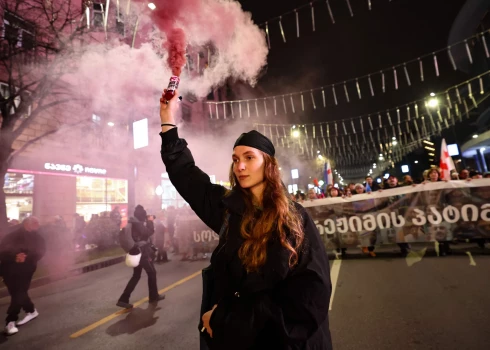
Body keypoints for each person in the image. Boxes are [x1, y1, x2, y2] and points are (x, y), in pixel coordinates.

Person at [159, 90, 332, 350]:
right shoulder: (230, 210)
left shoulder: (293, 219)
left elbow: (309, 301)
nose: (240, 166)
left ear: (268, 165)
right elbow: (187, 176)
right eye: (236, 159)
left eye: (249, 158)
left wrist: (226, 319)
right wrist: (167, 119)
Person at [0, 217, 45, 335]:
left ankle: (10, 321)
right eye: (35, 223)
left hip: (26, 269)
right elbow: (3, 249)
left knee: (19, 292)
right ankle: (31, 310)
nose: (38, 225)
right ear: (27, 223)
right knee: (17, 292)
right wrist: (14, 256)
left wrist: (26, 257)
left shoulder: (38, 237)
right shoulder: (12, 234)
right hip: (8, 269)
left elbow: (40, 251)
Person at [117, 205, 165, 309]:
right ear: (142, 215)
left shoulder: (133, 222)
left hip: (135, 251)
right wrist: (150, 221)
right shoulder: (137, 224)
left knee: (136, 275)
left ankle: (123, 299)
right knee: (151, 272)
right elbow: (148, 232)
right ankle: (153, 296)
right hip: (141, 252)